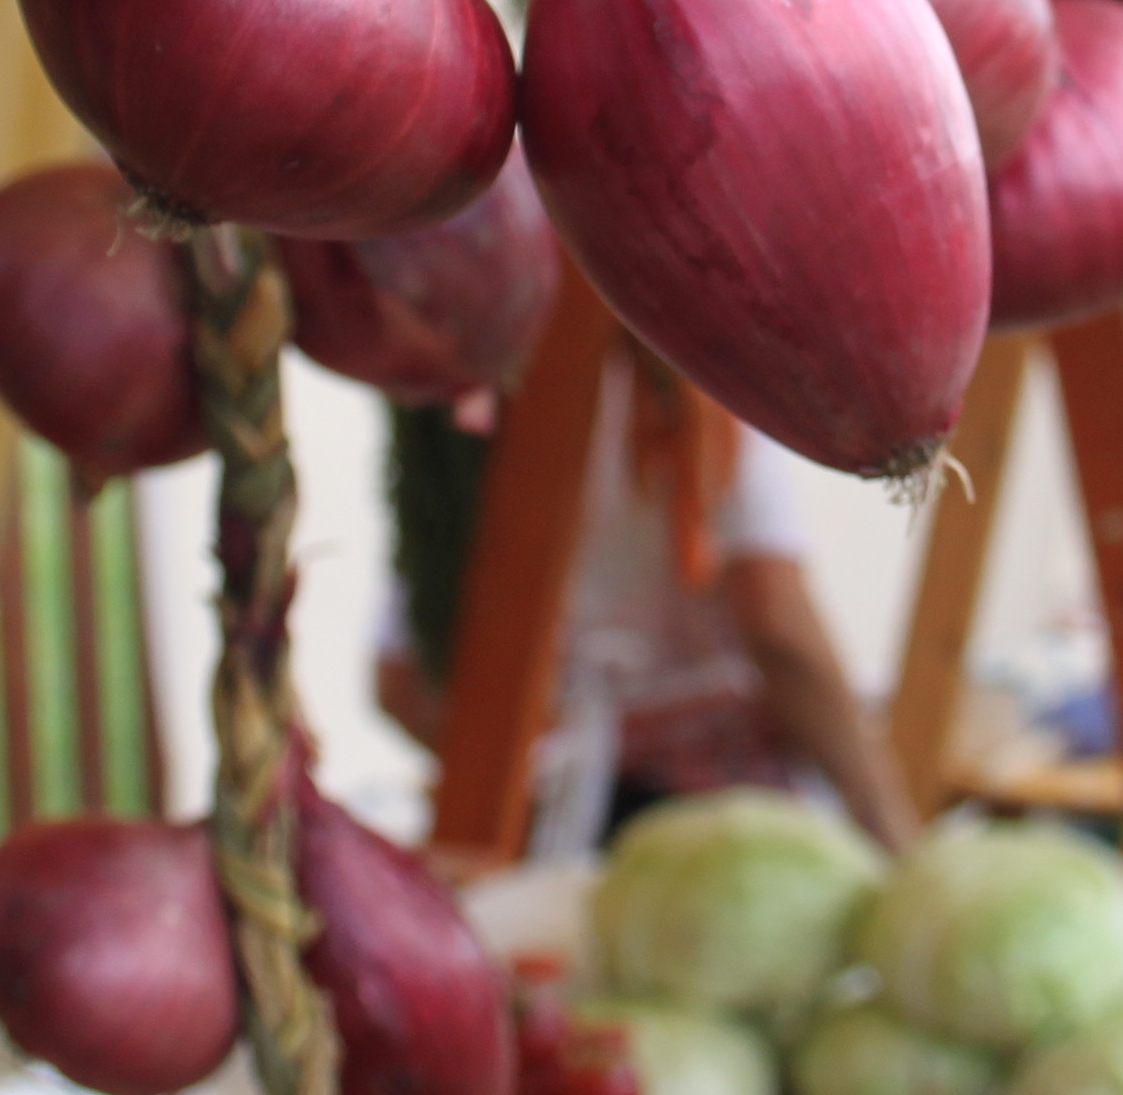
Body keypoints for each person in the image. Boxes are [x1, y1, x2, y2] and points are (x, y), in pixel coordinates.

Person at [383, 348, 919, 855]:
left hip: (565, 816)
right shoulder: (719, 389)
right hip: (714, 818)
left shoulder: (455, 407)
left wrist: (536, 768)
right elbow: (778, 627)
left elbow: (400, 679)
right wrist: (891, 829)